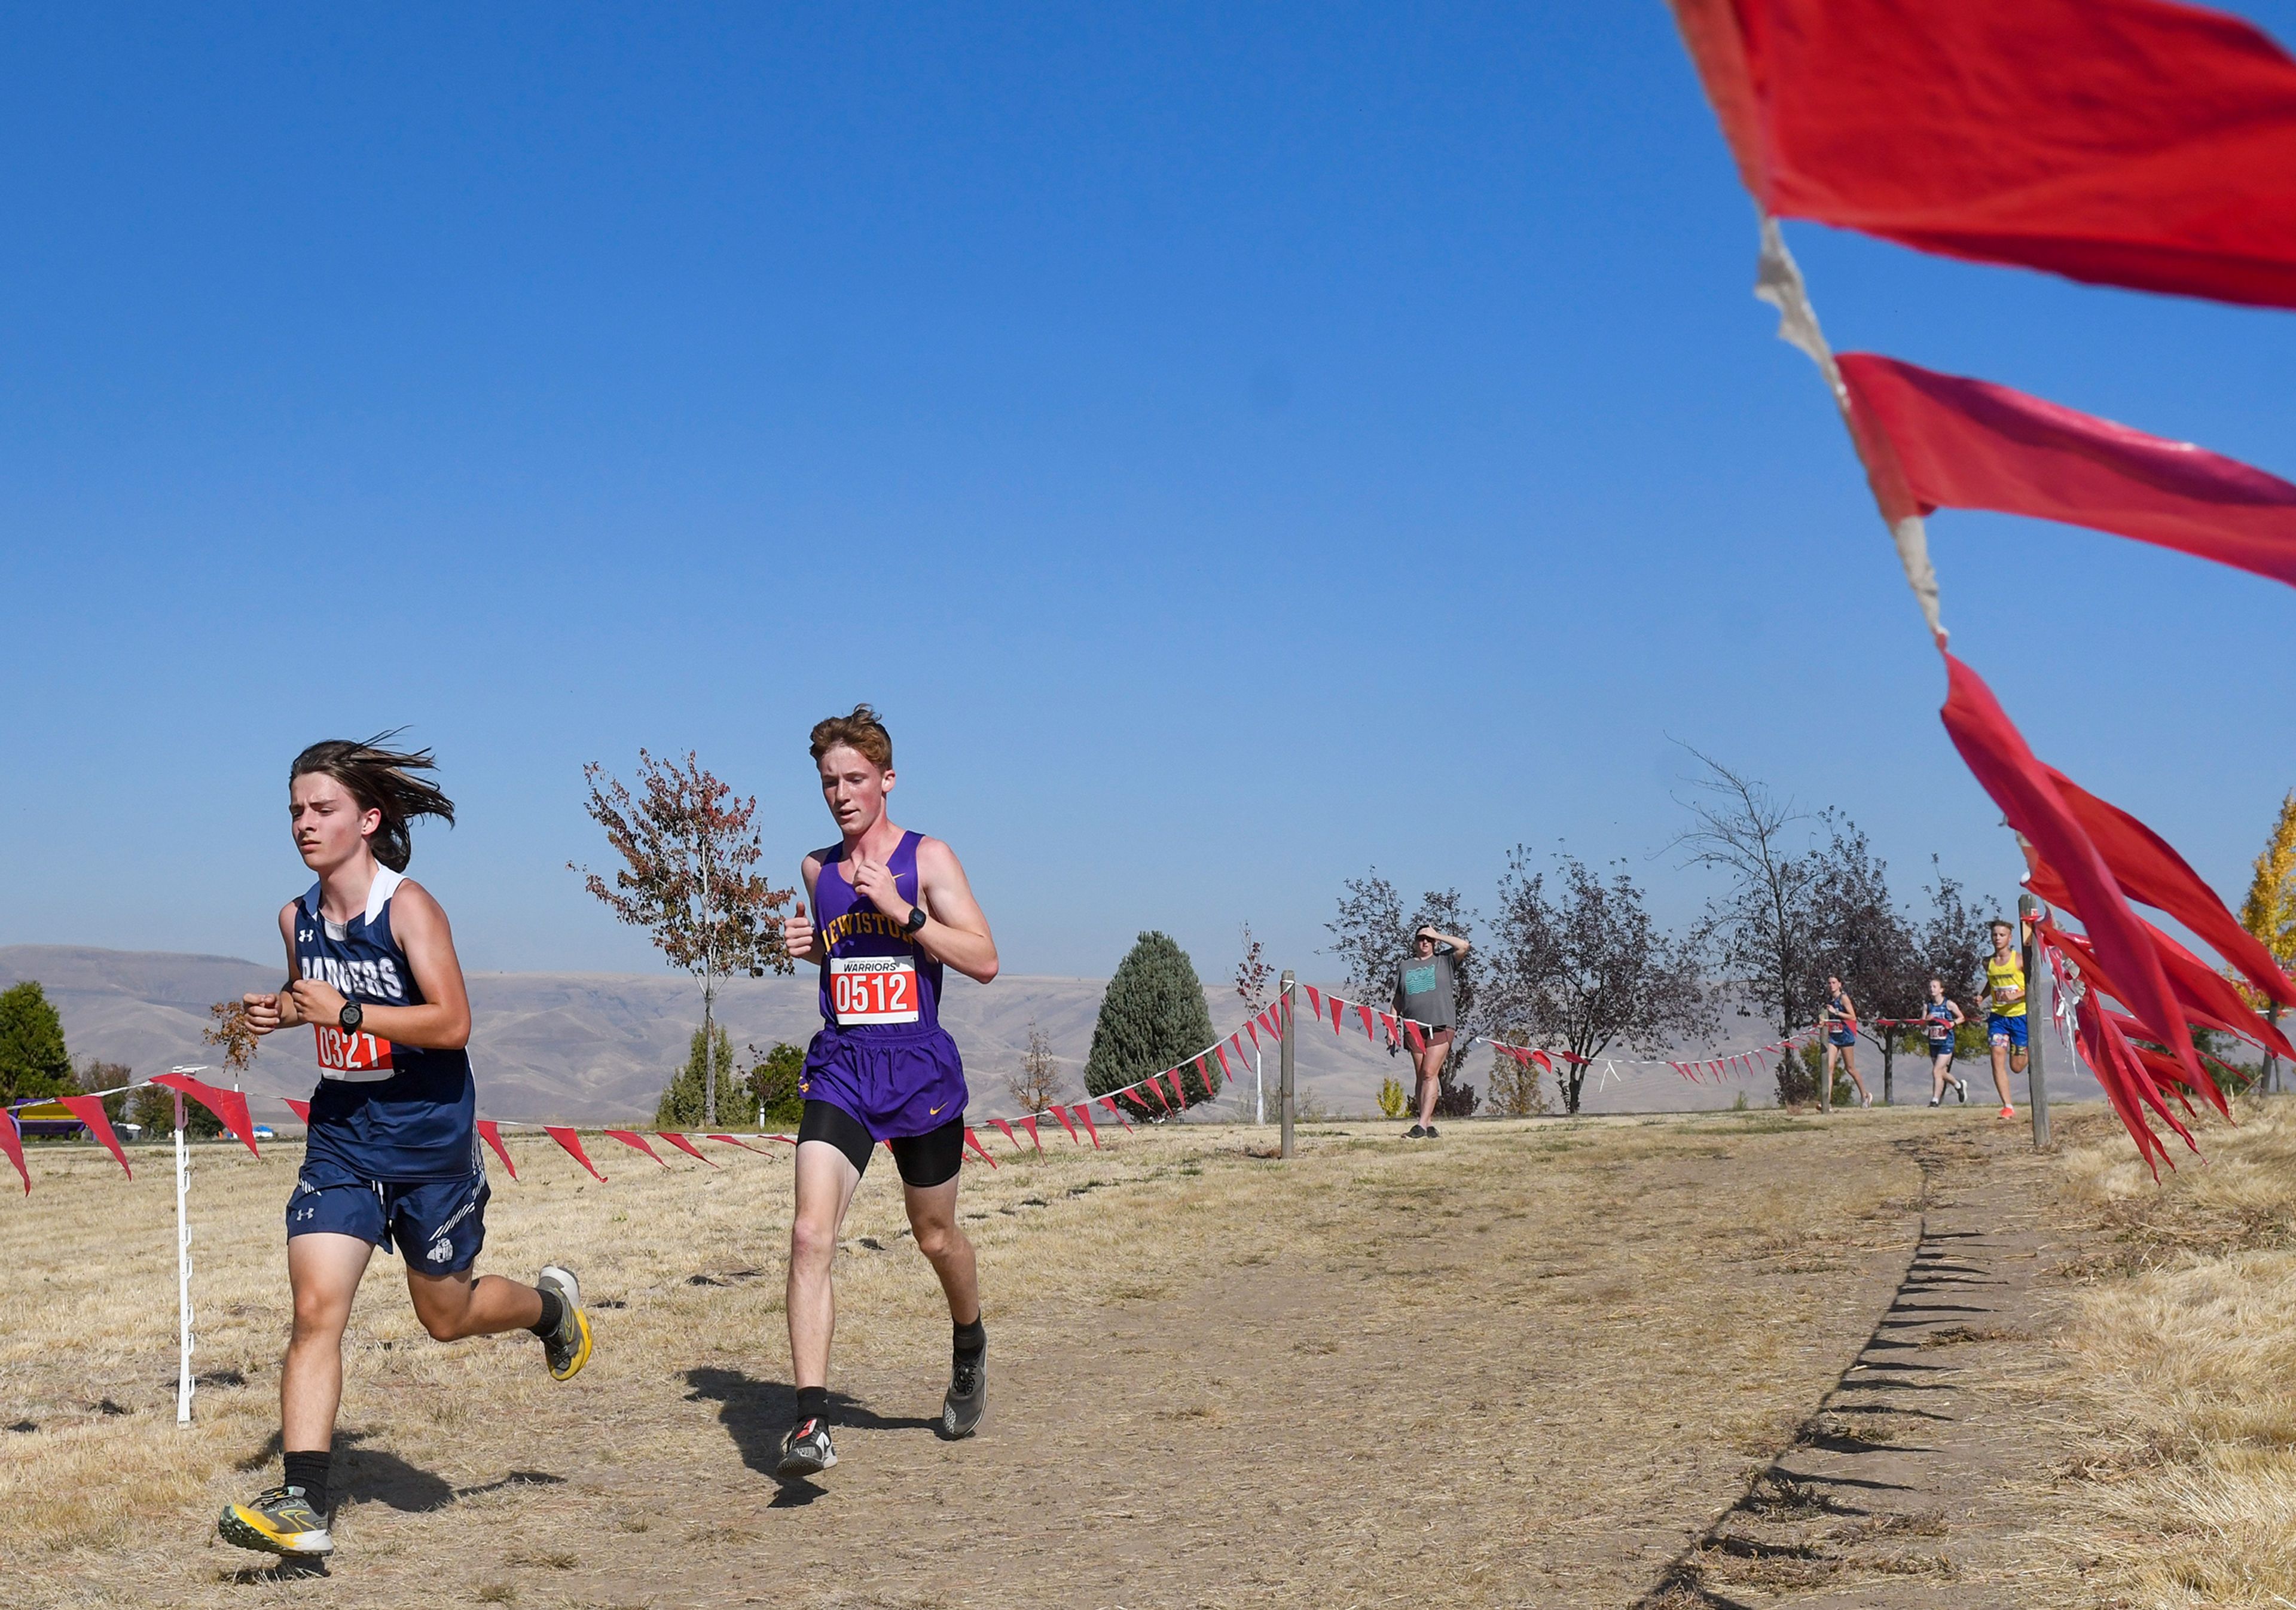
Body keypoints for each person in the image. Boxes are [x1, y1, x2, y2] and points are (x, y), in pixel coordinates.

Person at [220, 738, 591, 1561]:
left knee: (444, 1314)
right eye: (295, 811)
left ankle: (549, 1309)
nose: (303, 825)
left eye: (321, 809)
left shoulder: (410, 907)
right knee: (317, 1311)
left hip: (429, 1144)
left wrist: (348, 1012)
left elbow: (453, 1023)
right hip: (343, 1141)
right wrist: (283, 1012)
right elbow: (312, 1001)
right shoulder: (297, 916)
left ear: (368, 818)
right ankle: (303, 1504)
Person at [774, 705, 1000, 1481]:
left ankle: (969, 1341)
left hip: (919, 1069)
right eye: (829, 781)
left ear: (887, 780)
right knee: (809, 1234)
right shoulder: (816, 871)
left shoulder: (925, 857)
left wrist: (904, 910)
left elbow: (984, 959)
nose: (841, 794)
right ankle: (811, 1418)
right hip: (842, 1064)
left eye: (856, 779)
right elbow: (851, 965)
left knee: (935, 1236)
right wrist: (813, 951)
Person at [1391, 925, 1469, 1138]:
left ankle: (1421, 1125)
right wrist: (1392, 1026)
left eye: (1429, 939)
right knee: (1421, 1076)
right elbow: (1398, 998)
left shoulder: (1445, 961)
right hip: (1413, 1026)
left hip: (1441, 1024)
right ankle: (1429, 1123)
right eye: (1421, 938)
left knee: (1429, 1073)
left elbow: (1464, 946)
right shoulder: (1405, 966)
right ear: (1415, 942)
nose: (1425, 942)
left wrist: (1438, 935)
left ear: (1434, 942)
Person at [1984, 918, 2029, 1118]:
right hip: (1998, 1018)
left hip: (2020, 1017)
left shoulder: (2019, 960)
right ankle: (2008, 1106)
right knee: (1996, 1054)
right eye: (1995, 935)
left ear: (2010, 938)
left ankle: (2030, 1049)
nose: (1998, 938)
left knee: (2017, 1067)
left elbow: (2032, 988)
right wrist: (1982, 996)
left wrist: (2016, 995)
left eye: (2002, 935)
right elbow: (1991, 982)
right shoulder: (1988, 962)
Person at [1821, 975, 1873, 1108]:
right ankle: (1827, 1101)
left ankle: (1865, 1095)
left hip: (1846, 1037)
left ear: (1840, 984)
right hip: (1833, 1037)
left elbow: (1853, 1017)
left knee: (1850, 1068)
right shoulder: (1828, 1001)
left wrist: (1837, 1012)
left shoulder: (1843, 998)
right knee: (1829, 1068)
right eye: (1829, 983)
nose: (1831, 985)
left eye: (1834, 983)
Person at [1921, 977, 1970, 1107]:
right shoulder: (1928, 1006)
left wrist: (1952, 1023)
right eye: (1930, 987)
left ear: (1941, 990)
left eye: (1935, 987)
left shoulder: (1949, 1004)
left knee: (1936, 1071)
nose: (1932, 989)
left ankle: (1934, 1101)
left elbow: (1962, 1018)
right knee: (1941, 1073)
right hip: (1933, 1042)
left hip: (1946, 1042)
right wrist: (1927, 1019)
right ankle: (1958, 1085)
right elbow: (1922, 1026)